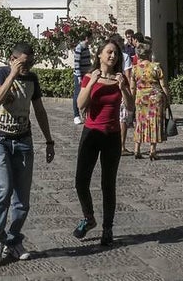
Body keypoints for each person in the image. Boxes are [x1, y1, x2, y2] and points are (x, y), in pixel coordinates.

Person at [0, 42, 54, 266]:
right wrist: (12, 75)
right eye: (23, 63)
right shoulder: (0, 73)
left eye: (31, 62)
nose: (27, 67)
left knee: (22, 200)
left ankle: (13, 241)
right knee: (3, 190)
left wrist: (49, 140)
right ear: (12, 58)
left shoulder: (32, 79)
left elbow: (40, 111)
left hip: (23, 141)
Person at [73, 36, 133, 247]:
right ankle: (88, 218)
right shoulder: (90, 77)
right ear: (99, 55)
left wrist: (124, 87)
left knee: (108, 184)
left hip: (112, 136)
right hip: (91, 134)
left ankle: (108, 228)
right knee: (81, 181)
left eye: (115, 53)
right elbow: (81, 104)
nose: (112, 55)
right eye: (109, 52)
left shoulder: (119, 79)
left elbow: (131, 106)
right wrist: (93, 82)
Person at [130, 42, 169, 160]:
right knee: (154, 123)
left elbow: (132, 87)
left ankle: (137, 149)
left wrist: (132, 100)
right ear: (149, 54)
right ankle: (152, 151)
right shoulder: (156, 66)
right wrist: (167, 99)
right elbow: (164, 85)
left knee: (140, 123)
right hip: (155, 98)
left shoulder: (135, 69)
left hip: (141, 98)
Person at [71, 33, 92, 126]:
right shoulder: (79, 47)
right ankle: (76, 115)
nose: (92, 40)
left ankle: (85, 115)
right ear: (87, 38)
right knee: (77, 94)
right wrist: (79, 77)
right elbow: (76, 63)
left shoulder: (86, 47)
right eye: (91, 38)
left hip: (87, 74)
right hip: (80, 75)